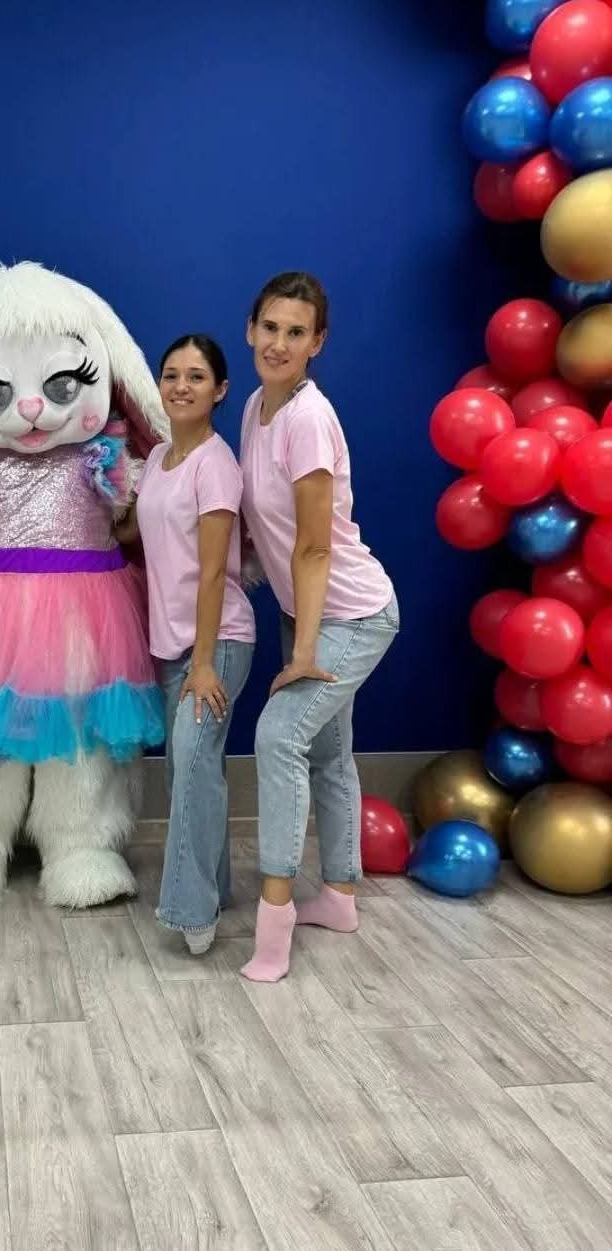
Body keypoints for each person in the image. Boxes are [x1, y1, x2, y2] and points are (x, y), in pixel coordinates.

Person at [237, 272, 398, 983]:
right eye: (270, 327)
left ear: (317, 342)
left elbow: (313, 546)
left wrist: (302, 651)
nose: (279, 343)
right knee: (329, 755)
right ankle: (338, 896)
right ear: (251, 329)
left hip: (352, 614)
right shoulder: (256, 406)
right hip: (305, 610)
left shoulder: (307, 418)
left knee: (279, 737)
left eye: (295, 332)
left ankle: (273, 929)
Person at [117, 335, 255, 953]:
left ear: (219, 390)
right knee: (188, 770)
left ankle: (192, 910)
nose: (181, 386)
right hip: (171, 644)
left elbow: (214, 571)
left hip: (215, 643)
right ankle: (217, 885)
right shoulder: (160, 459)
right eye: (171, 374)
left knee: (195, 768)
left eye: (196, 377)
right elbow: (134, 531)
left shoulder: (215, 465)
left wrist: (203, 663)